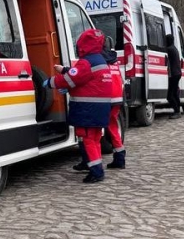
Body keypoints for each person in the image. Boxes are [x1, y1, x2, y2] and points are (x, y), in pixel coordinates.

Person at [45, 28, 112, 183]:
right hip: (100, 109)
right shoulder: (100, 60)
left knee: (88, 140)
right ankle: (95, 166)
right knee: (95, 140)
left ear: (83, 44)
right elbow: (86, 82)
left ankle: (96, 172)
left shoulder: (86, 62)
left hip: (87, 109)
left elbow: (69, 79)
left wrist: (50, 82)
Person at [104, 47, 126, 168]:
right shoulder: (113, 60)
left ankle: (89, 161)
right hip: (117, 97)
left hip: (105, 99)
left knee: (93, 131)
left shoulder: (99, 60)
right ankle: (119, 157)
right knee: (113, 128)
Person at [166, 34, 182, 119]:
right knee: (175, 93)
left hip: (173, 74)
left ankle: (177, 111)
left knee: (170, 95)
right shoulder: (174, 48)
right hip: (178, 73)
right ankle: (178, 110)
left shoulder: (169, 49)